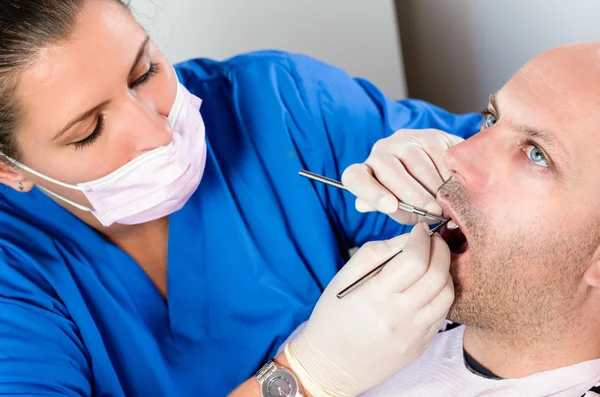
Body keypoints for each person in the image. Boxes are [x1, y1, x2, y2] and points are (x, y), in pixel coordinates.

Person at [0, 1, 484, 396]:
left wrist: (450, 174)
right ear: (8, 168)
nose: (156, 131)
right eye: (89, 130)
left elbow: (525, 187)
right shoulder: (13, 271)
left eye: (144, 72)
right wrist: (306, 376)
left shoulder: (276, 103)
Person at [307, 42, 600, 396]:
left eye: (537, 155)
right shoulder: (366, 324)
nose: (457, 154)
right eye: (491, 118)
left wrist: (302, 379)